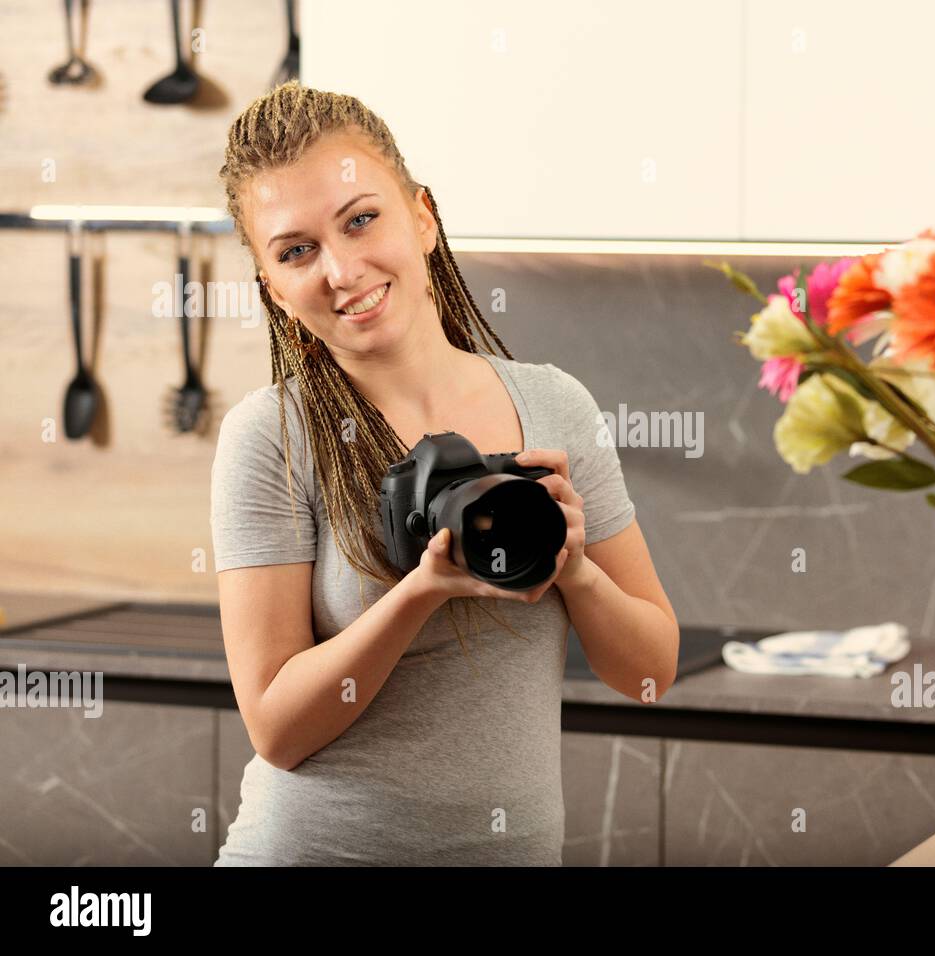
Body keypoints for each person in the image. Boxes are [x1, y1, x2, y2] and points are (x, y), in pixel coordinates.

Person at [209, 81, 678, 865]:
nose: (342, 269)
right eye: (296, 251)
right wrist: (421, 592)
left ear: (422, 216)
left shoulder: (555, 405)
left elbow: (651, 673)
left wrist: (576, 571)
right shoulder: (272, 437)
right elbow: (277, 731)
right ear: (274, 290)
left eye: (361, 220)